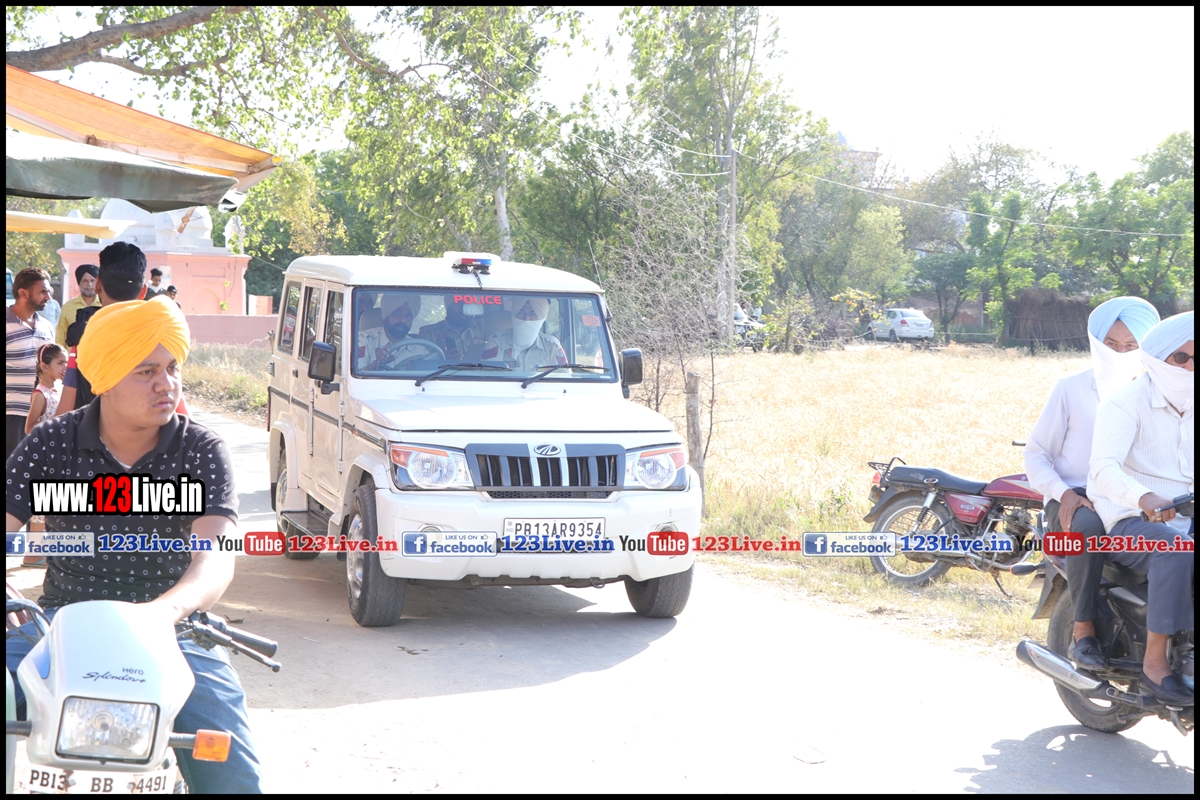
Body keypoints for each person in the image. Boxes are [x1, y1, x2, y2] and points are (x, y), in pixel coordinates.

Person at [5, 296, 264, 792]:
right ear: (104, 379)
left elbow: (215, 557)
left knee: (233, 770)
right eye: (146, 371)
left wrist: (164, 612)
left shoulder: (201, 450)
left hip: (175, 632)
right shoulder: (50, 443)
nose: (166, 384)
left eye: (172, 368)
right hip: (59, 627)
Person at [1025, 296, 1160, 669]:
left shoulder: (1157, 392)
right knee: (1088, 527)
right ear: (1096, 343)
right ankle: (1083, 631)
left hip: (1130, 496)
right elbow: (1036, 455)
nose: (1121, 353)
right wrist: (1064, 493)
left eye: (1131, 345)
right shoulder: (1071, 389)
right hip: (1075, 497)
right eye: (1112, 344)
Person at [1088, 311, 1194, 705]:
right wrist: (1145, 498)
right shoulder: (1125, 402)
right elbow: (1103, 468)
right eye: (1181, 358)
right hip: (1130, 519)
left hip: (1187, 514)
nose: (1190, 367)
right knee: (1175, 550)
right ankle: (1155, 664)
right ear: (1157, 359)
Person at [59, 243, 190, 416]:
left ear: (98, 285)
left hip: (93, 429)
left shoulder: (86, 334)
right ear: (143, 291)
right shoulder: (162, 328)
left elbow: (65, 406)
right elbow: (179, 407)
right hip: (153, 429)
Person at [6, 267, 56, 461]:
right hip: (12, 416)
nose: (48, 297)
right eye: (43, 292)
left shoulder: (47, 327)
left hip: (41, 418)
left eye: (48, 292)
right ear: (23, 293)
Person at [483, 296, 567, 371]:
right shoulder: (497, 342)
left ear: (541, 316)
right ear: (515, 314)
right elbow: (490, 378)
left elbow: (564, 378)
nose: (527, 318)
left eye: (533, 313)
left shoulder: (552, 346)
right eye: (521, 312)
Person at [356, 292, 427, 371]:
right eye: (397, 313)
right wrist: (376, 365)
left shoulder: (420, 349)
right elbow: (354, 376)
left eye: (408, 316)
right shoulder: (362, 341)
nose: (403, 320)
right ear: (386, 315)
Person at [417, 294, 487, 362]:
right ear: (448, 306)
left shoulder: (484, 329)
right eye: (459, 303)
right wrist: (438, 358)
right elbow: (420, 364)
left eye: (468, 305)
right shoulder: (428, 333)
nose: (463, 309)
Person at [55, 263, 102, 345]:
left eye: (92, 280)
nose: (89, 284)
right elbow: (60, 339)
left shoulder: (105, 305)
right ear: (79, 283)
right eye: (85, 281)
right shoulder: (67, 307)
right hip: (74, 353)